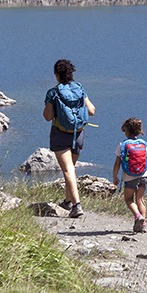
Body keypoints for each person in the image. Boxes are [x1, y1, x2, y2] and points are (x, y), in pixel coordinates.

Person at [44, 59, 96, 218]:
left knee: (68, 170)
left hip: (60, 134)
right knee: (71, 169)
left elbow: (48, 117)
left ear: (56, 74)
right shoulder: (79, 88)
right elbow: (92, 110)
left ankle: (77, 205)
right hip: (78, 134)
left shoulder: (53, 93)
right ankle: (67, 201)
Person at [112, 117, 147, 233]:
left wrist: (115, 177)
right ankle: (143, 224)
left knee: (129, 199)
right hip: (144, 175)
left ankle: (138, 216)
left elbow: (117, 164)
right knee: (140, 199)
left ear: (126, 131)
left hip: (130, 177)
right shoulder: (144, 144)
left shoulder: (122, 145)